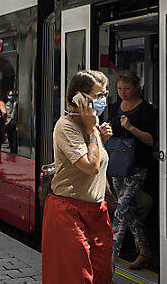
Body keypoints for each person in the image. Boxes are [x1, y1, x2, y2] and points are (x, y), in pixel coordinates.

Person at [42, 70, 114, 284]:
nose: (103, 101)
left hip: (97, 210)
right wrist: (92, 132)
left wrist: (98, 138)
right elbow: (91, 167)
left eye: (104, 95)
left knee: (102, 275)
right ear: (79, 98)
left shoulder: (91, 127)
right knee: (76, 277)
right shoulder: (66, 127)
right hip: (69, 211)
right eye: (98, 95)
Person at [107, 70, 157, 269]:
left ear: (137, 88)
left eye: (127, 88)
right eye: (119, 88)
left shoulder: (145, 110)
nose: (123, 92)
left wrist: (131, 128)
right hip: (117, 164)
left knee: (121, 210)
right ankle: (144, 250)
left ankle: (109, 261)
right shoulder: (115, 106)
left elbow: (151, 140)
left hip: (137, 166)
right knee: (128, 212)